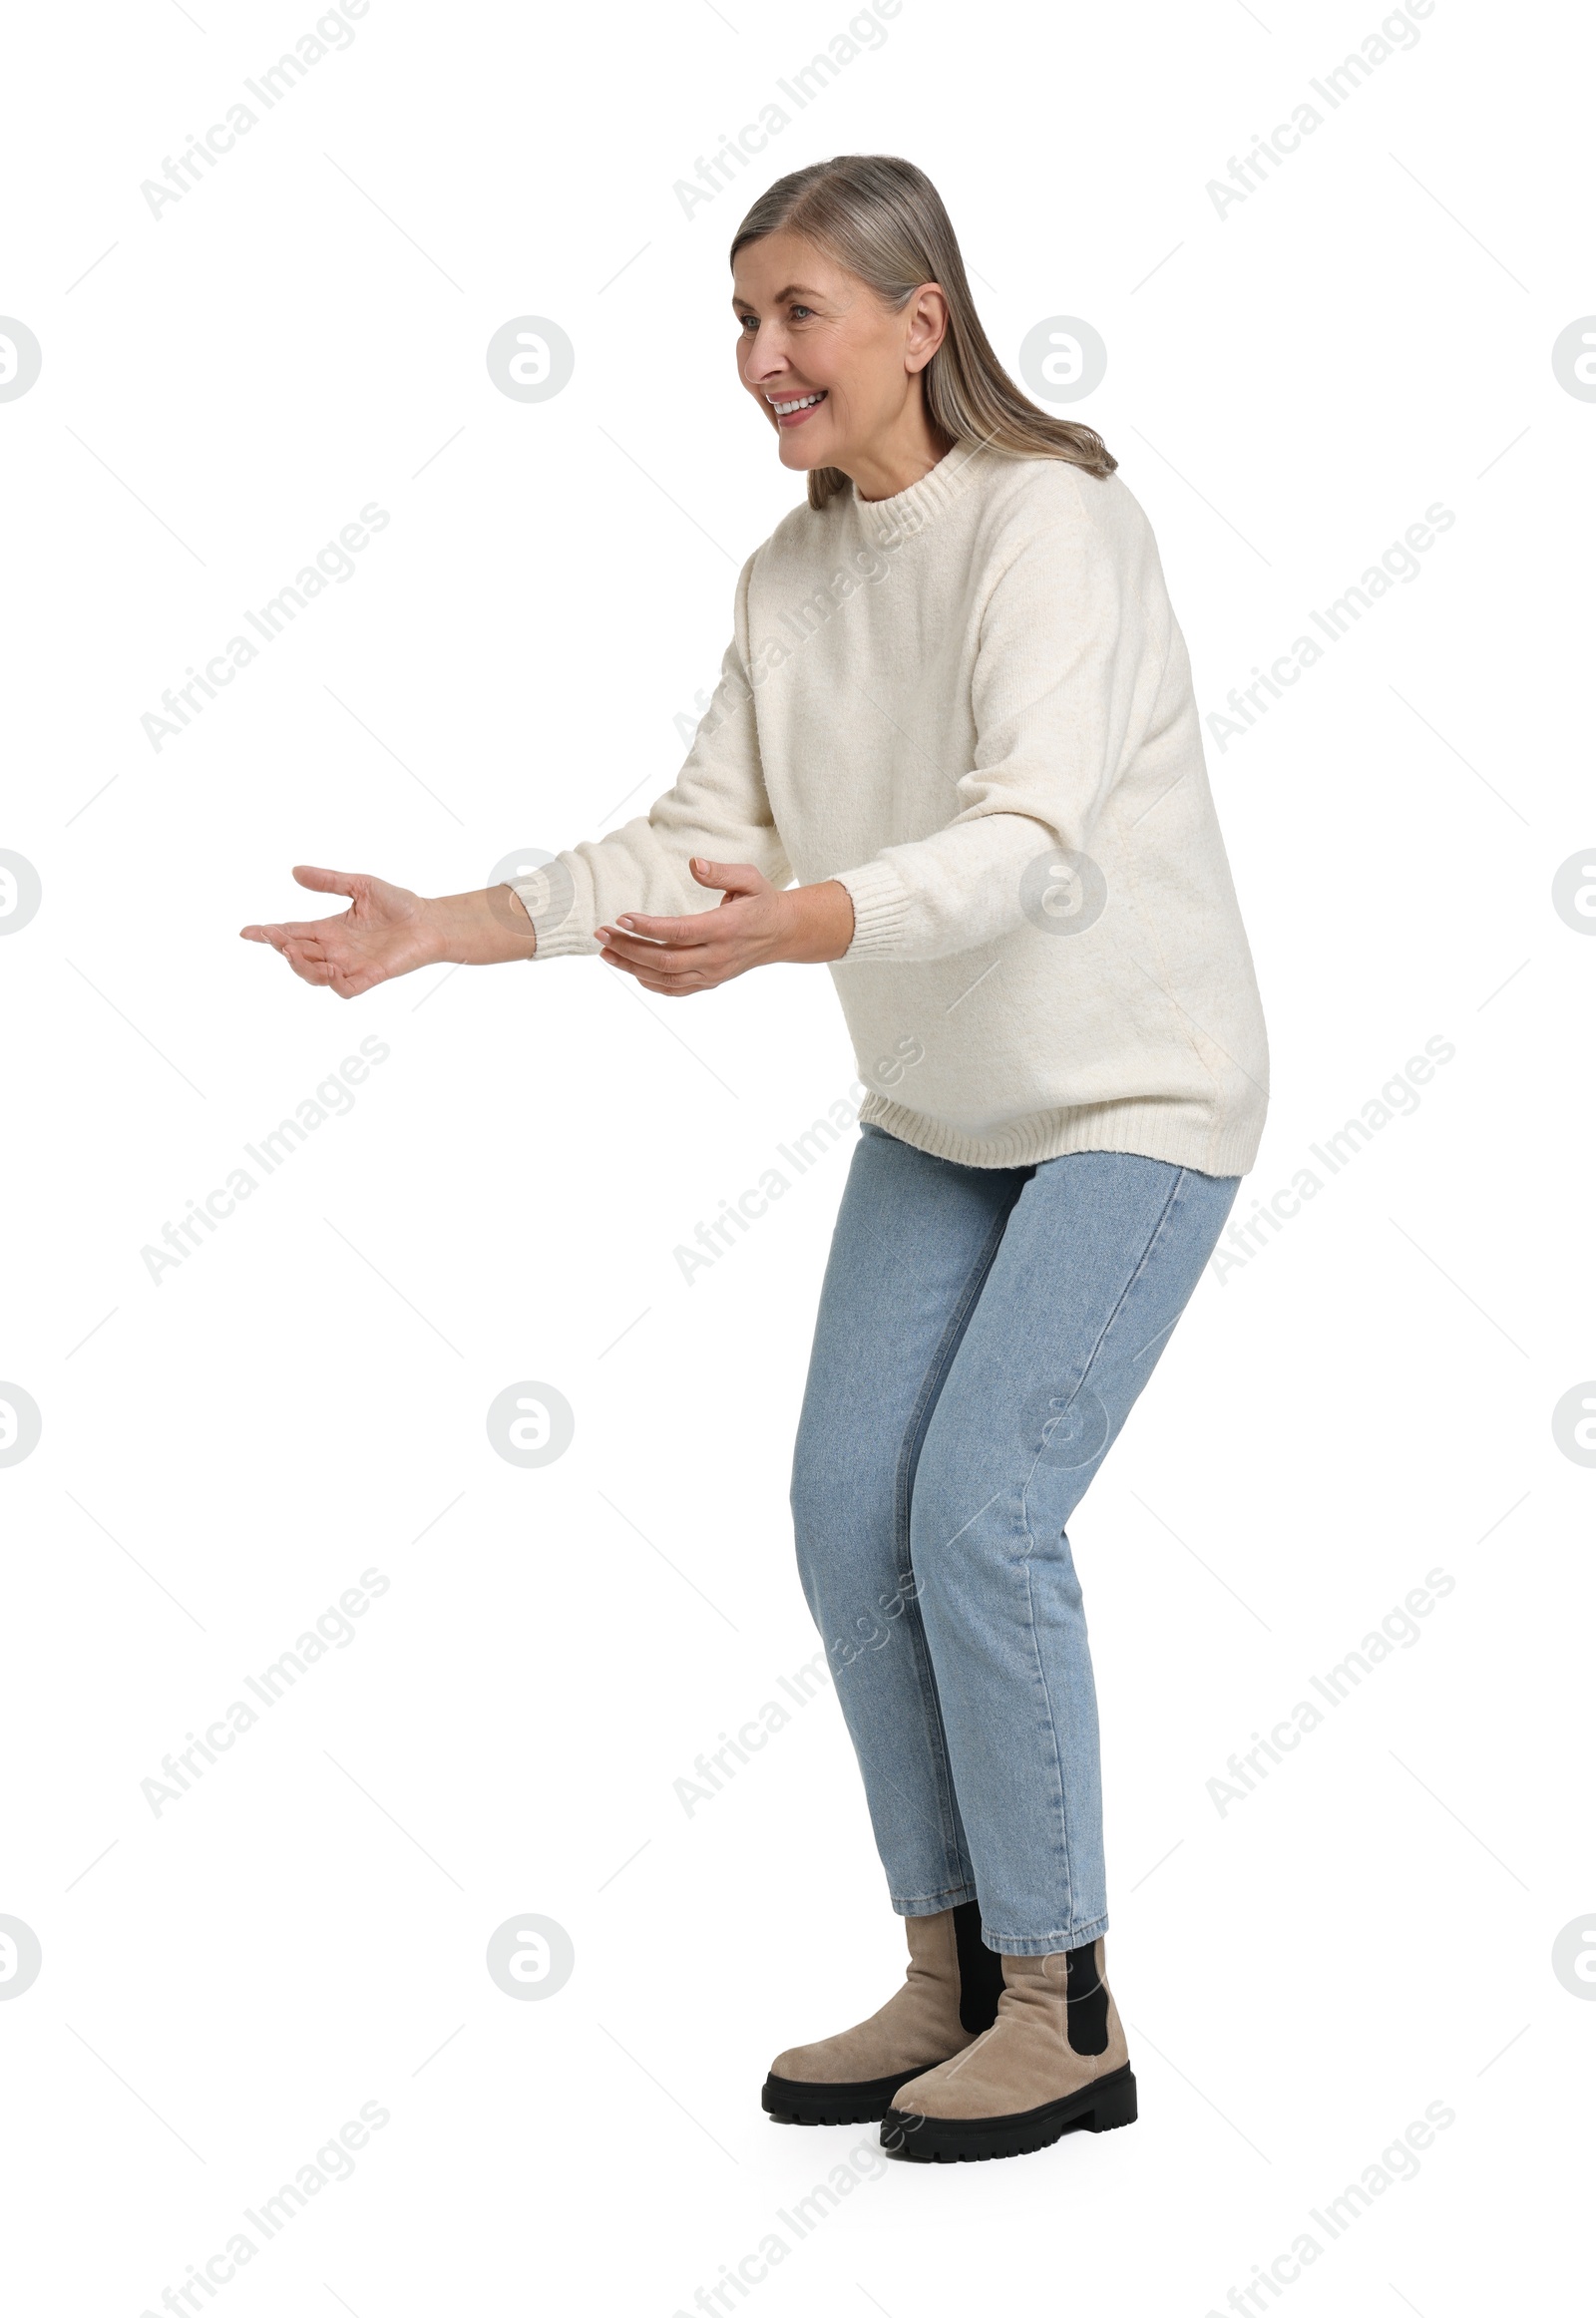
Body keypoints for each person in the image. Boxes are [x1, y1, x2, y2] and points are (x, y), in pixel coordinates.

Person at [242, 154, 1269, 2166]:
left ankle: (1061, 2004)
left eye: (795, 311)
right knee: (840, 1518)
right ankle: (949, 1960)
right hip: (941, 1106)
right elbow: (697, 831)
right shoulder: (789, 577)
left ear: (919, 320)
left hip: (1133, 1095)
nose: (756, 355)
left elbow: (1021, 839)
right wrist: (446, 922)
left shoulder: (1050, 528)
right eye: (738, 316)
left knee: (977, 1512)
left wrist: (789, 926)